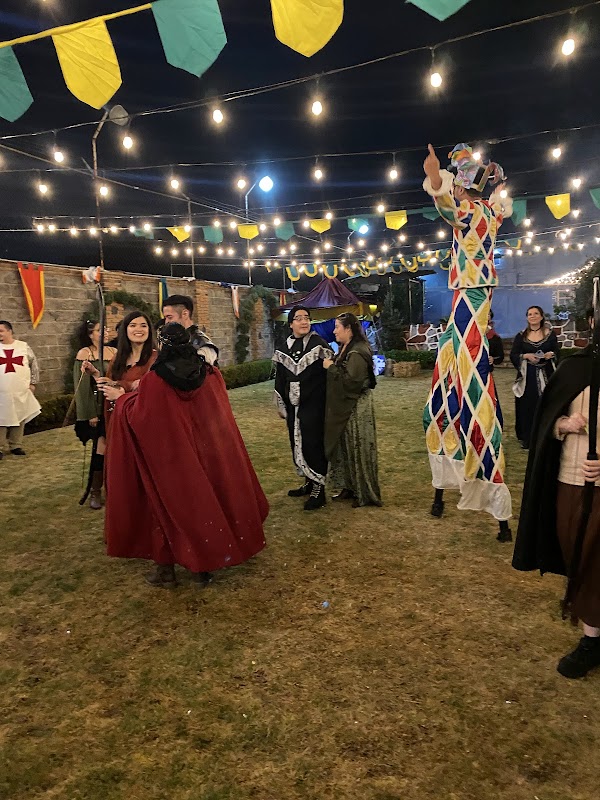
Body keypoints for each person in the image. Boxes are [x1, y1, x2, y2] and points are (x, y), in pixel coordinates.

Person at [104, 323, 268, 588]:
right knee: (205, 501)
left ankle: (166, 570)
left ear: (163, 345)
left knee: (166, 508)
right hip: (206, 453)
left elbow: (142, 417)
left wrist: (122, 399)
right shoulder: (210, 374)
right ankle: (202, 567)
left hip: (173, 458)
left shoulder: (156, 381)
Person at [421, 143, 513, 541]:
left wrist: (436, 177)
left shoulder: (472, 212)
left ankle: (490, 499)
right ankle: (447, 488)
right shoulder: (489, 212)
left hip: (471, 304)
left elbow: (447, 209)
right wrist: (495, 181)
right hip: (467, 303)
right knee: (444, 399)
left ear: (464, 189)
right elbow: (493, 201)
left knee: (470, 399)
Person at [513, 308, 600, 679]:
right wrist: (564, 424)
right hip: (571, 480)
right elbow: (546, 423)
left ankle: (592, 636)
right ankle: (592, 634)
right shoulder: (575, 369)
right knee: (578, 554)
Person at [273, 305, 333, 511]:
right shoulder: (283, 347)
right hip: (293, 406)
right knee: (296, 441)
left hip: (314, 404)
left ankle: (319, 488)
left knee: (313, 443)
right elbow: (280, 377)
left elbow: (329, 375)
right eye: (298, 318)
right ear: (291, 324)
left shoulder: (319, 344)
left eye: (306, 318)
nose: (304, 321)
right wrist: (281, 401)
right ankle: (308, 481)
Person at [323, 313, 381, 508]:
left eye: (337, 326)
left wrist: (331, 367)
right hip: (346, 407)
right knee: (346, 448)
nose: (334, 330)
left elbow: (351, 382)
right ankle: (349, 486)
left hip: (356, 407)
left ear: (348, 329)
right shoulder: (346, 348)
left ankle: (363, 493)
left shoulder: (357, 351)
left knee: (358, 449)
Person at [85, 310, 157, 435]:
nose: (138, 329)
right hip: (118, 418)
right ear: (125, 330)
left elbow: (150, 390)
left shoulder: (155, 358)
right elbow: (109, 385)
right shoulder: (118, 358)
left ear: (149, 330)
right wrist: (96, 374)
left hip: (142, 424)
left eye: (143, 325)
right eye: (133, 325)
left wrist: (121, 392)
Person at [73, 320, 116, 508]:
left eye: (105, 329)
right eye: (100, 330)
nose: (105, 332)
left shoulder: (114, 352)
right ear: (90, 334)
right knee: (101, 448)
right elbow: (82, 388)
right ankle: (95, 491)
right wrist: (90, 413)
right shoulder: (85, 353)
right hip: (97, 409)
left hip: (115, 405)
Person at [510, 306, 559, 449]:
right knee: (528, 405)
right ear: (527, 318)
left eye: (536, 313)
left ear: (542, 316)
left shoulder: (550, 334)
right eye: (530, 314)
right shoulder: (521, 336)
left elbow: (557, 351)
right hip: (528, 376)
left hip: (547, 374)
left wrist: (551, 355)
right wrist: (525, 356)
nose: (533, 316)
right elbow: (514, 354)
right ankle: (528, 438)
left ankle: (546, 436)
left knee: (547, 403)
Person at [0, 320, 40, 459]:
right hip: (1, 391)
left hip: (20, 389)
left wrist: (33, 383)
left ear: (9, 331)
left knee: (19, 416)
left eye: (1, 331)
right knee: (1, 419)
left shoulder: (23, 347)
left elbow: (33, 364)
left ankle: (15, 445)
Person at [162, 294, 219, 366]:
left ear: (185, 314)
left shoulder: (202, 344)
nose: (166, 322)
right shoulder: (169, 341)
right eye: (165, 318)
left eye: (169, 317)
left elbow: (207, 375)